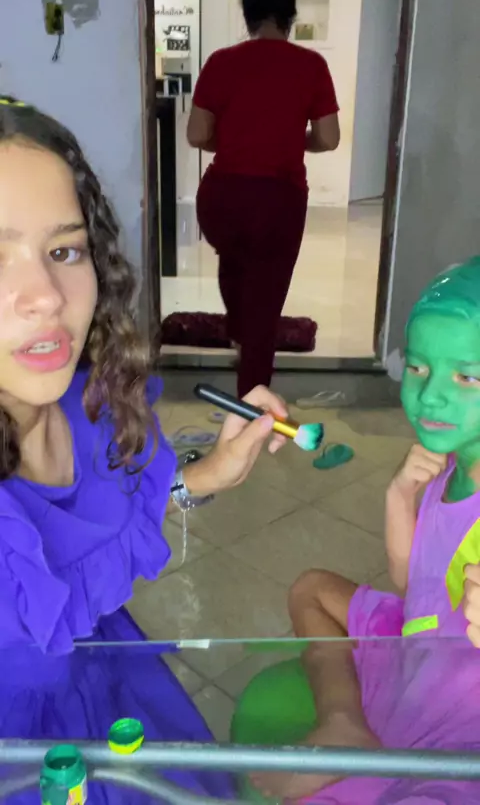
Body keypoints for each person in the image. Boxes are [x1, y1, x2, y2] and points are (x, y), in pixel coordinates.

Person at [0, 95, 289, 803]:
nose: (46, 296)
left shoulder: (88, 405)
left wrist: (208, 474)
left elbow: (108, 522)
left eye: (64, 251)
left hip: (104, 690)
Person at [247, 258, 480, 804]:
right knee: (311, 589)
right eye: (418, 368)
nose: (431, 395)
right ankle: (344, 722)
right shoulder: (446, 466)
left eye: (467, 376)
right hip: (418, 649)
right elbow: (415, 588)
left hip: (463, 721)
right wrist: (399, 499)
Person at [187, 0, 340, 398]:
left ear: (248, 16)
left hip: (221, 198)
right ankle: (251, 401)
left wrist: (238, 138)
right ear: (290, 17)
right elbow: (328, 138)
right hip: (277, 201)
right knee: (265, 300)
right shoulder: (311, 66)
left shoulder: (221, 62)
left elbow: (197, 134)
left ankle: (239, 337)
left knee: (234, 266)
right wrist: (289, 140)